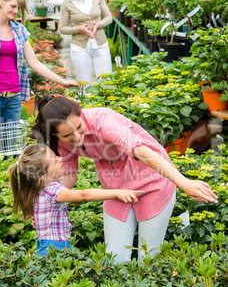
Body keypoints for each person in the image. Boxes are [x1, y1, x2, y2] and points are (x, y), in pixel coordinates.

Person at [30, 95, 218, 264]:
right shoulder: (60, 141)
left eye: (79, 127)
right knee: (113, 259)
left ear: (80, 113)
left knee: (149, 259)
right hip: (116, 190)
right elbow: (69, 177)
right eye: (68, 135)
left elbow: (140, 151)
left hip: (153, 181)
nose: (77, 137)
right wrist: (46, 203)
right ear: (55, 134)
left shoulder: (102, 121)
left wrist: (184, 182)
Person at [8, 143, 142, 256]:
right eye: (55, 160)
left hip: (49, 244)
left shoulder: (37, 187)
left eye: (56, 155)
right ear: (44, 177)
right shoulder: (52, 190)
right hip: (54, 247)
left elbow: (71, 178)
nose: (60, 159)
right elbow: (84, 195)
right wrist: (117, 193)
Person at [0, 0, 79, 122]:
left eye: (18, 8)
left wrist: (62, 81)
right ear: (1, 2)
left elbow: (35, 63)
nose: (16, 11)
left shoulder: (20, 31)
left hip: (13, 99)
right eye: (13, 6)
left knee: (11, 142)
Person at [59, 0, 113, 85]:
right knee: (85, 85)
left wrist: (99, 24)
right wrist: (78, 29)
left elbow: (109, 17)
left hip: (101, 46)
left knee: (107, 83)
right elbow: (62, 28)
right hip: (80, 49)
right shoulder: (68, 2)